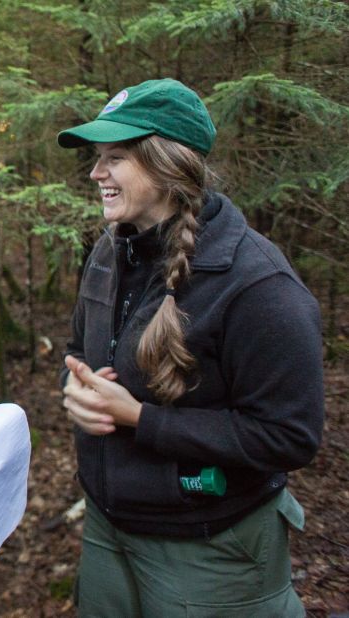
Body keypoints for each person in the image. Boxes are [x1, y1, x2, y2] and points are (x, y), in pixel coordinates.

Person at [57, 78, 323, 616]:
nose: (95, 173)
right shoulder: (110, 250)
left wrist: (140, 419)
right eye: (95, 158)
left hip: (211, 547)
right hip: (109, 526)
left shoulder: (257, 285)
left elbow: (289, 436)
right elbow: (79, 348)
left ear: (165, 165)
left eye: (114, 158)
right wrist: (76, 388)